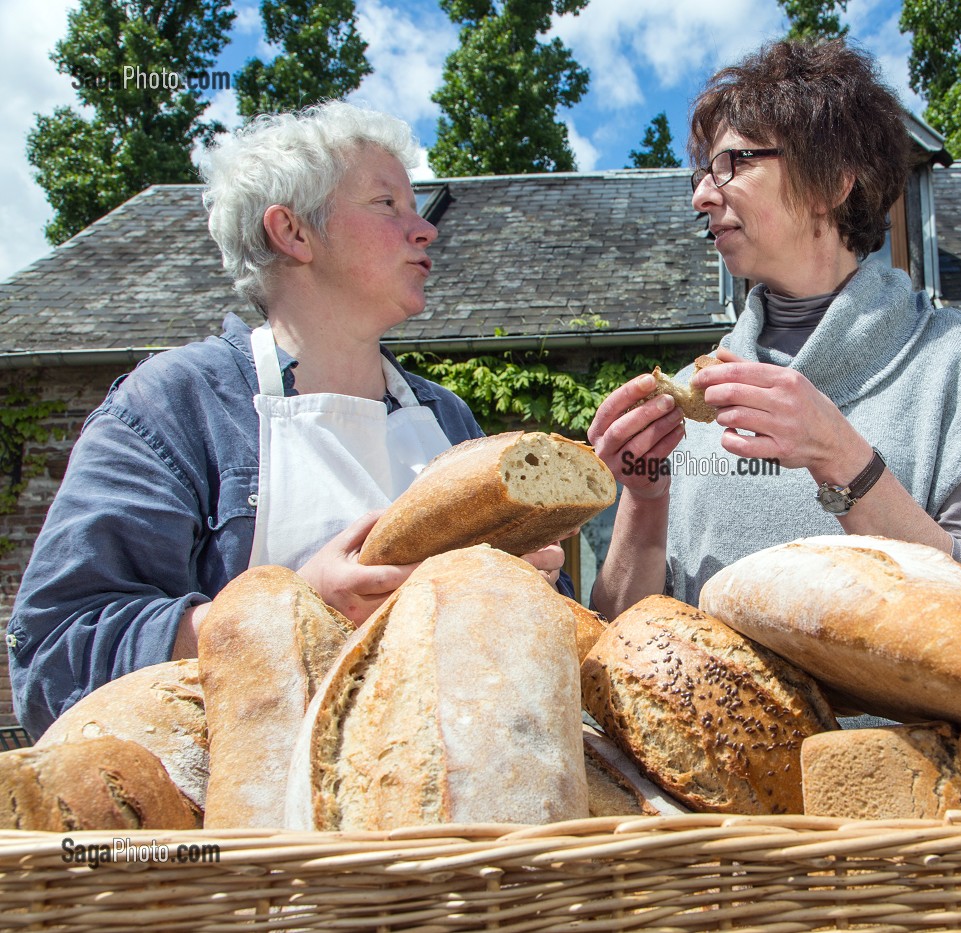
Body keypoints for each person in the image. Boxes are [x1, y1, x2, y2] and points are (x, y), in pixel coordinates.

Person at [7, 102, 568, 736]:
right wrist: (287, 614)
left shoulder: (447, 418)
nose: (426, 230)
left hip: (451, 810)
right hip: (249, 828)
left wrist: (534, 588)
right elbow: (53, 655)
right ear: (293, 232)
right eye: (388, 205)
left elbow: (551, 636)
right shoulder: (174, 406)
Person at [587, 40, 961, 620]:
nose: (702, 195)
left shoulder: (959, 359)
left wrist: (841, 458)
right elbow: (621, 633)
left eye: (733, 163)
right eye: (703, 172)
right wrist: (645, 497)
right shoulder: (692, 394)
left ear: (832, 183)